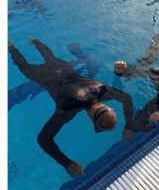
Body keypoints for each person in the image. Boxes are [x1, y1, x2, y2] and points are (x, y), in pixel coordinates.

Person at [8, 38, 135, 178]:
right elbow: (43, 139)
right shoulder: (67, 110)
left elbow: (127, 98)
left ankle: (33, 41)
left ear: (110, 107)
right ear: (90, 119)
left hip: (63, 69)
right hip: (47, 78)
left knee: (49, 56)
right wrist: (67, 164)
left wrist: (129, 125)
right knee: (24, 67)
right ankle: (11, 47)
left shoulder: (102, 90)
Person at [8, 42, 100, 111]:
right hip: (55, 81)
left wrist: (13, 48)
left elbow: (24, 64)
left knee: (22, 90)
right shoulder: (70, 67)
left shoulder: (64, 65)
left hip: (48, 81)